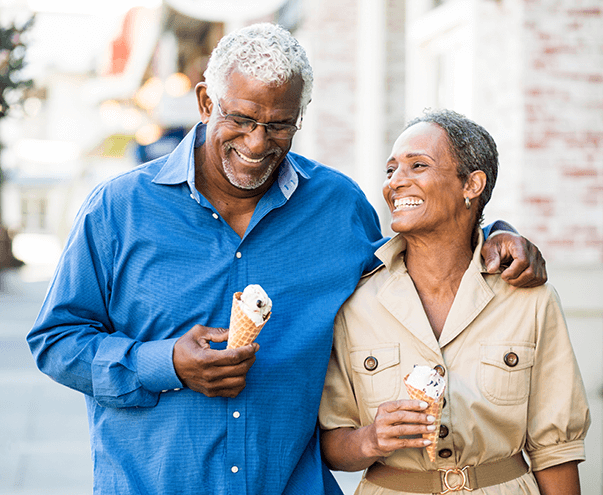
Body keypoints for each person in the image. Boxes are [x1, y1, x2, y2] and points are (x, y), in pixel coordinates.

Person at [27, 24, 546, 495]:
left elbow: (417, 267)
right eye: (242, 118)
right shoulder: (119, 209)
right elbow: (55, 340)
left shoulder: (336, 206)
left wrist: (492, 232)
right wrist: (166, 363)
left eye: (279, 125)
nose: (257, 143)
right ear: (207, 102)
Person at [319, 109, 590, 495]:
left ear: (472, 184)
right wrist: (371, 439)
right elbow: (331, 442)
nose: (396, 181)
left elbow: (556, 451)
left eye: (418, 165)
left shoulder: (529, 299)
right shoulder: (356, 302)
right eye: (391, 169)